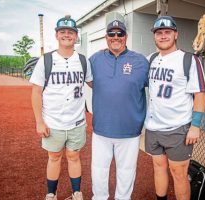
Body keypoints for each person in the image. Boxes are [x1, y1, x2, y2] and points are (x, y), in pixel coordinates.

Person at [144, 16, 205, 200]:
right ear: (155, 37)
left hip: (178, 128)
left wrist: (195, 125)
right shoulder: (151, 59)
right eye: (159, 33)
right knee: (158, 167)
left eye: (167, 32)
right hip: (153, 126)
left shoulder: (188, 59)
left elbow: (201, 94)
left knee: (179, 173)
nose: (163, 36)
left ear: (175, 34)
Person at [30, 15, 93, 200]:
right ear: (57, 35)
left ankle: (76, 193)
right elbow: (36, 92)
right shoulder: (46, 60)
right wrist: (39, 122)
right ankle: (51, 194)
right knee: (54, 157)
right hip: (52, 121)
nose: (67, 35)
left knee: (74, 157)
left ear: (76, 36)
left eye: (71, 32)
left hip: (77, 121)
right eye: (63, 32)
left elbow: (94, 83)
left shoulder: (83, 60)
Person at [89, 19, 149, 200]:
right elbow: (90, 81)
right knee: (98, 171)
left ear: (126, 37)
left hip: (130, 130)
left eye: (120, 34)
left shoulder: (140, 61)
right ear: (106, 37)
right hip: (102, 129)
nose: (116, 37)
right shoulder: (95, 59)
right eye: (112, 34)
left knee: (126, 172)